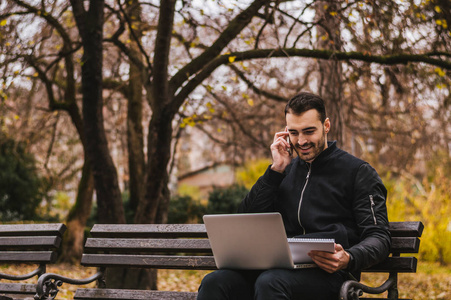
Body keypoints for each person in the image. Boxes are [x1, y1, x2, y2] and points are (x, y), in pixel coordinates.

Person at [197, 92, 391, 300]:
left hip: (329, 275)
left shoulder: (358, 172)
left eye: (309, 131)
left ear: (326, 126)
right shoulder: (283, 171)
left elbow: (379, 237)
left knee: (271, 282)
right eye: (293, 132)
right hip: (273, 270)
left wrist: (350, 257)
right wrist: (275, 170)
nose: (301, 141)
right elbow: (246, 219)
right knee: (215, 282)